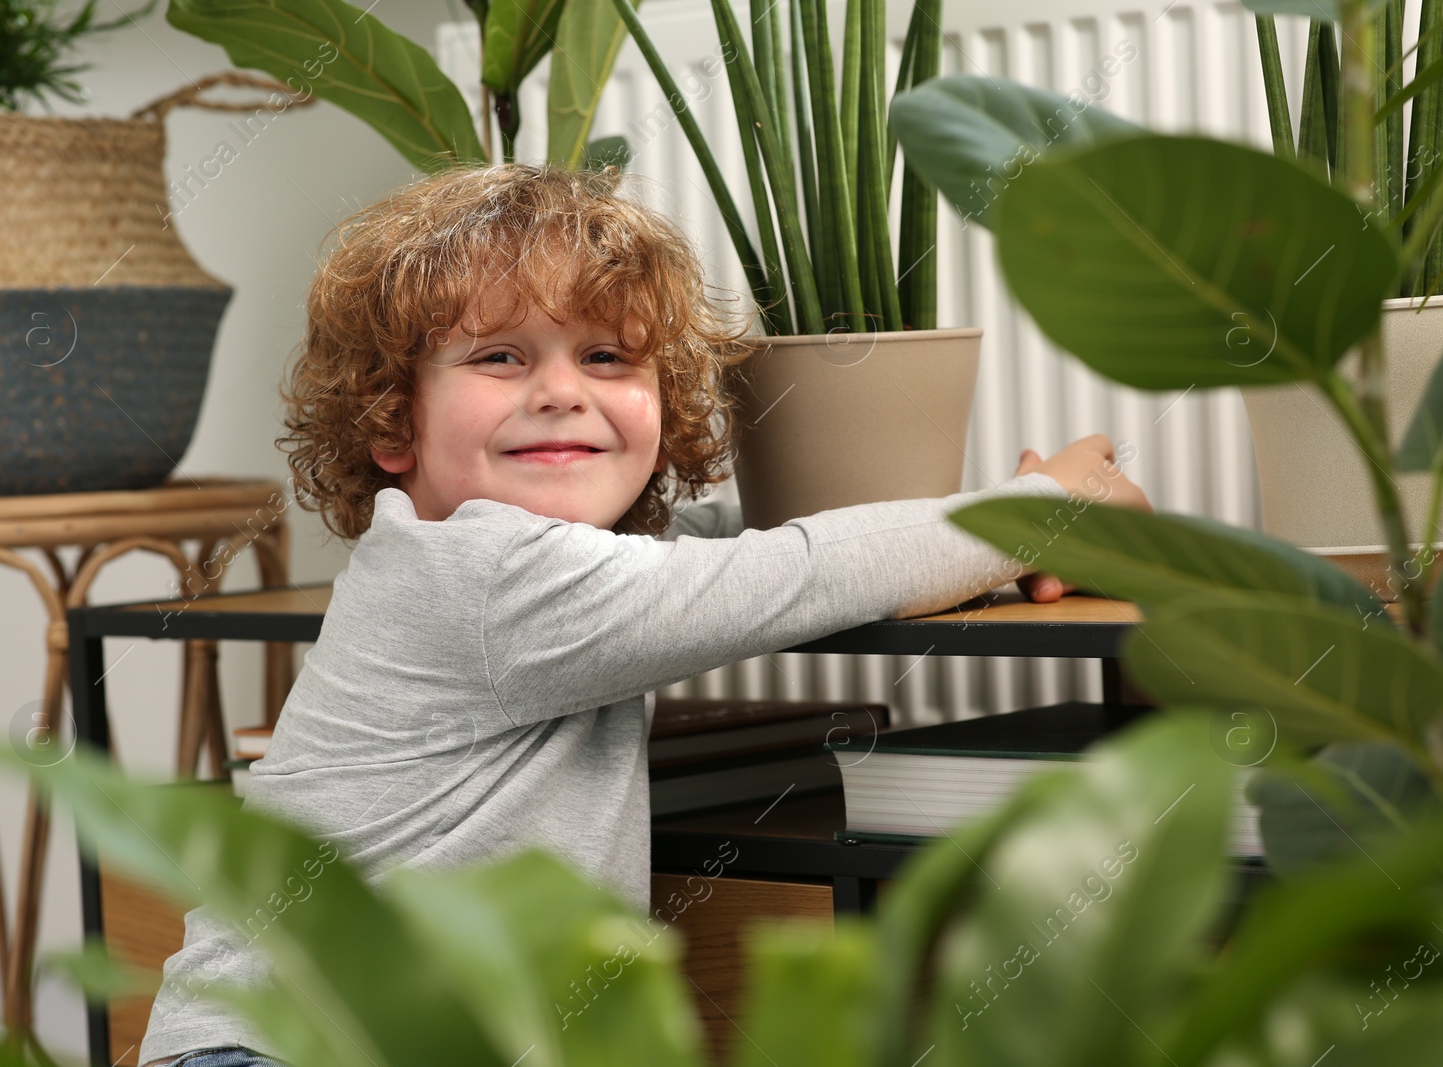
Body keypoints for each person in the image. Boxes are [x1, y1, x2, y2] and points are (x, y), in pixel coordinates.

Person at [137, 162, 1149, 1067]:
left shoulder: (524, 562)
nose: (561, 393)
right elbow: (793, 571)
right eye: (499, 357)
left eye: (609, 359)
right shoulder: (480, 577)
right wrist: (1050, 510)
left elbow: (763, 546)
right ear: (391, 422)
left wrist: (992, 546)